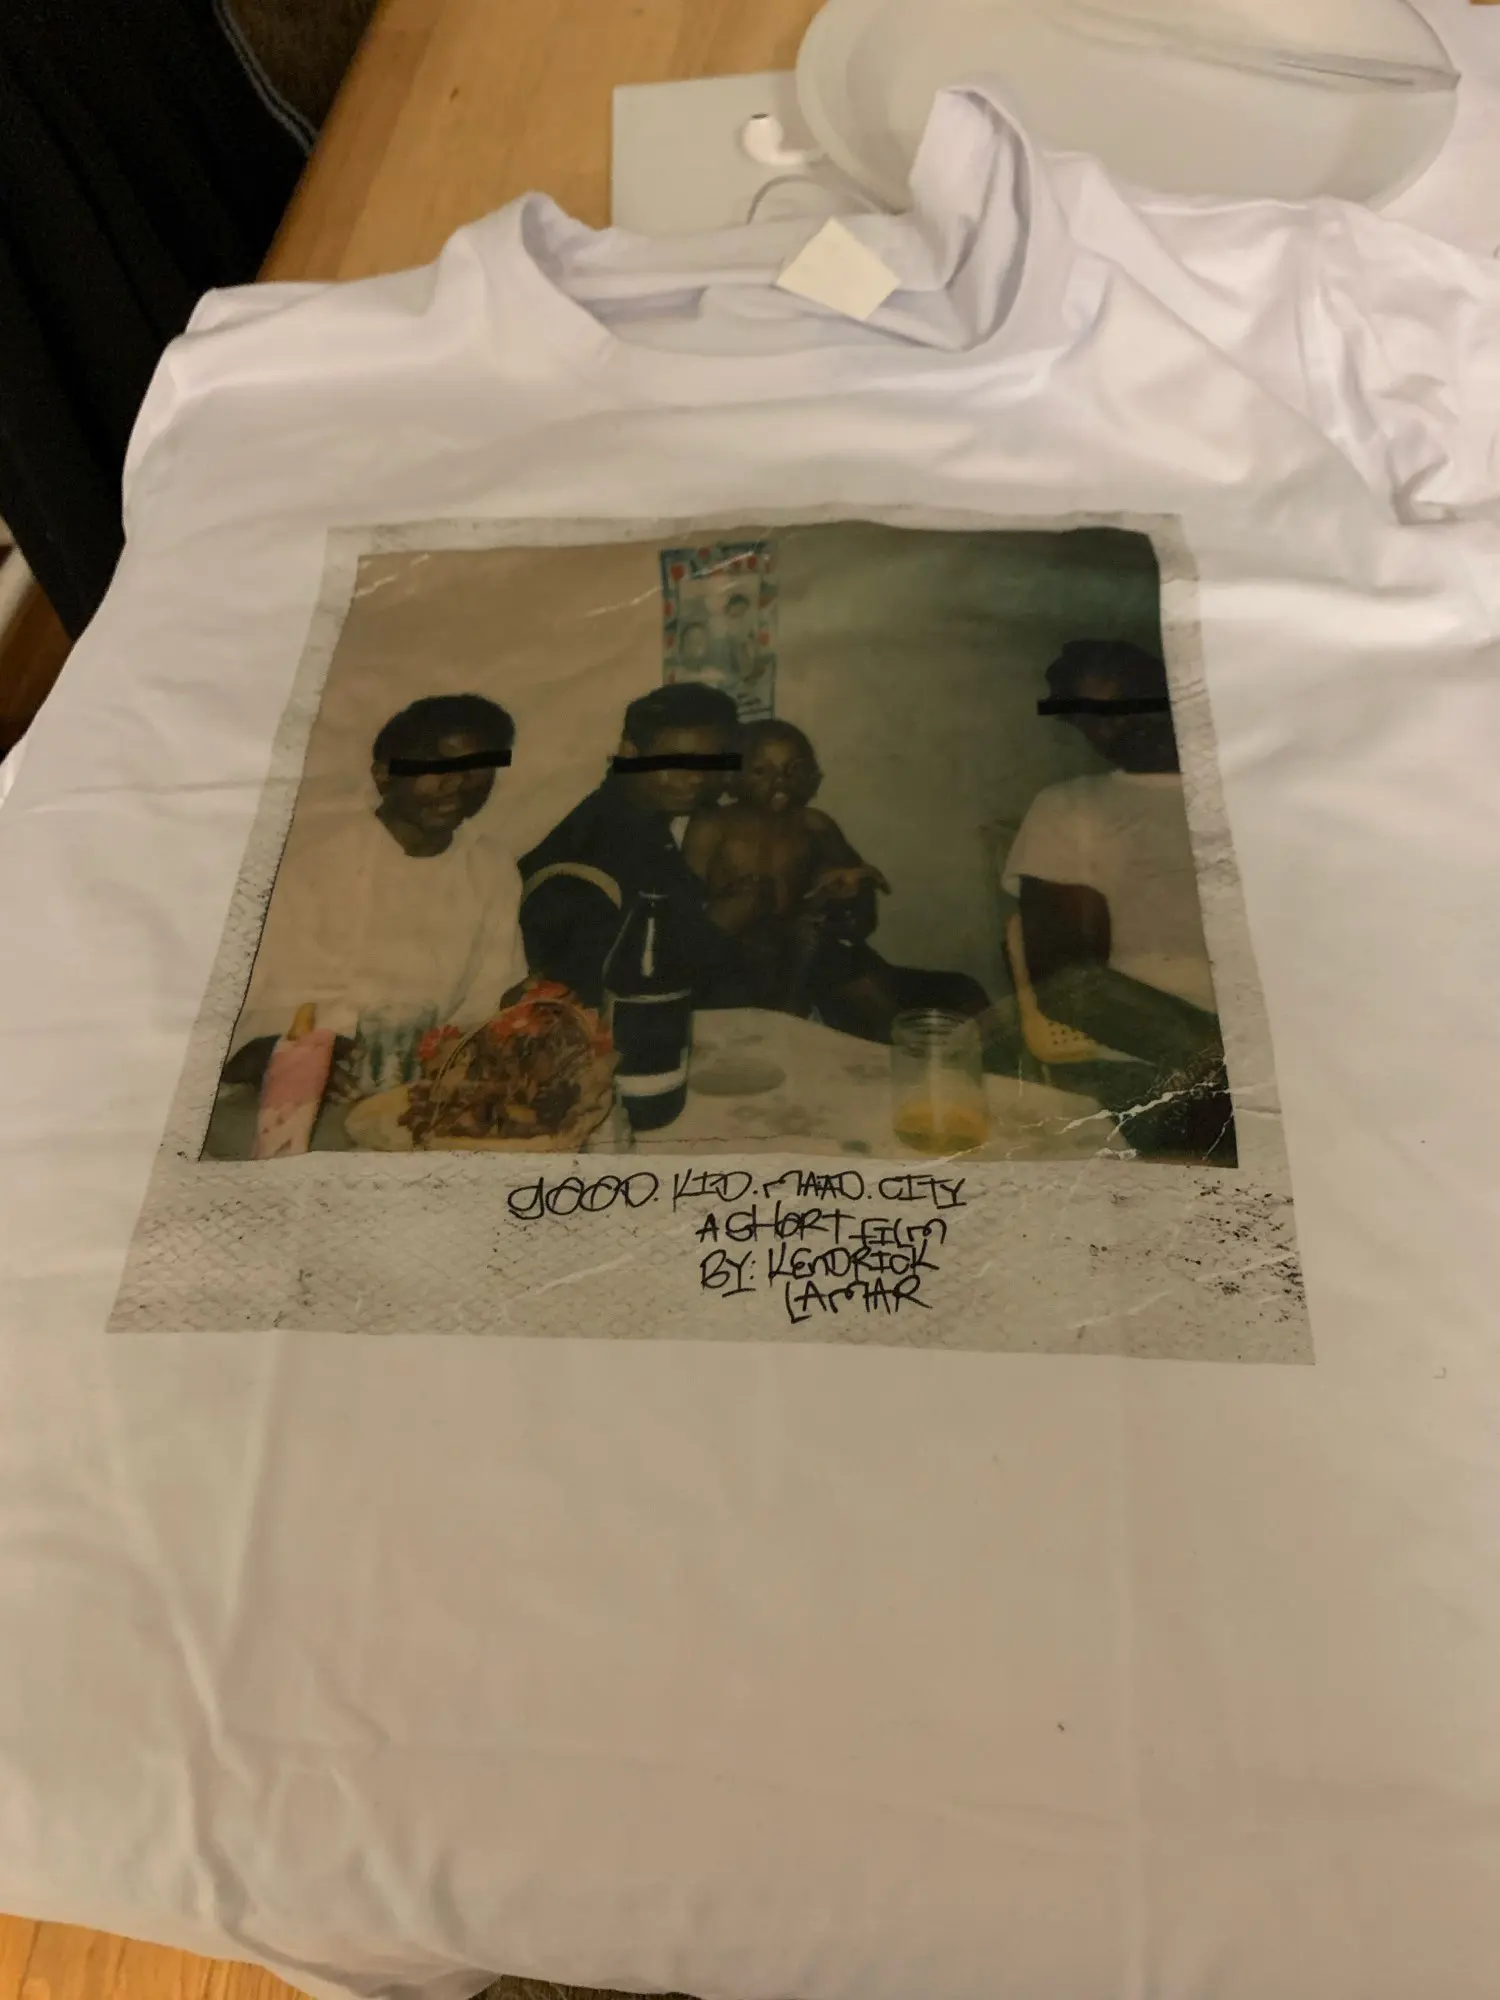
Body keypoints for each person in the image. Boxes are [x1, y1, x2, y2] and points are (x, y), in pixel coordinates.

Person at [221, 693, 524, 1107]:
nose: (456, 784)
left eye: (477, 768)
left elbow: (489, 1002)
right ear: (383, 775)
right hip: (296, 1091)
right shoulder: (313, 863)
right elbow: (247, 1021)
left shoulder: (491, 868)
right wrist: (297, 1057)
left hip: (420, 1093)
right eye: (434, 767)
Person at [1004, 638, 1235, 1162]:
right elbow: (1071, 987)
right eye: (1092, 716)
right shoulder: (1071, 808)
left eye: (1132, 699)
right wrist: (1234, 1061)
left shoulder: (1249, 797)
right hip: (1152, 1065)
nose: (1118, 724)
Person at [685, 719, 987, 1043]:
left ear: (811, 775)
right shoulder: (713, 826)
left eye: (793, 769)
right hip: (739, 953)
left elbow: (860, 917)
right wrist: (728, 908)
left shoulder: (815, 826)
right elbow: (684, 917)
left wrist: (849, 894)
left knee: (885, 995)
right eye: (761, 771)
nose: (780, 782)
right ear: (733, 776)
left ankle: (899, 1059)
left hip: (809, 946)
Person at [518, 682, 750, 1010]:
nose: (697, 778)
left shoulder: (648, 818)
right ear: (630, 753)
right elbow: (613, 988)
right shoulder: (596, 849)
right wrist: (719, 925)